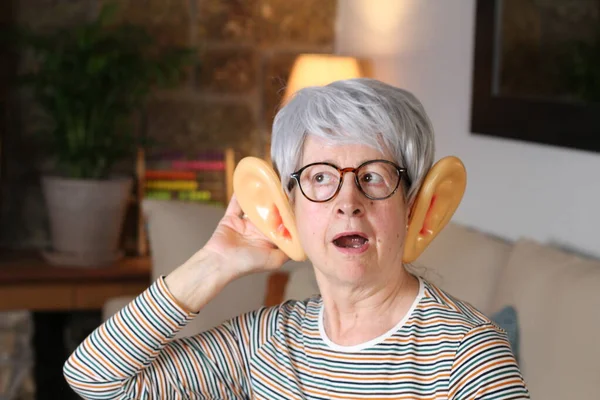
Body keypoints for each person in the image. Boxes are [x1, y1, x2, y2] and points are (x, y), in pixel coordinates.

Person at [64, 78, 530, 399]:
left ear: (414, 206)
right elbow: (94, 378)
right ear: (287, 210)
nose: (349, 201)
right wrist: (215, 261)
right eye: (321, 178)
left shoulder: (467, 353)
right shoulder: (268, 341)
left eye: (374, 176)